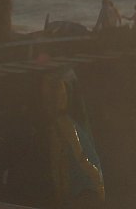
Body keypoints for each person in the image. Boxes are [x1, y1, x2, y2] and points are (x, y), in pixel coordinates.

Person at [44, 74, 105, 206]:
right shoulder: (65, 124)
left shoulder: (64, 124)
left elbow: (78, 158)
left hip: (83, 187)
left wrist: (98, 183)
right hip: (83, 187)